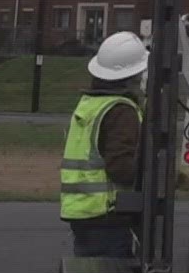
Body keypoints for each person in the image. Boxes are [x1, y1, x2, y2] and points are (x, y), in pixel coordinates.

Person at [59, 31, 146, 259]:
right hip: (108, 216)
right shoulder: (121, 111)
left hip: (84, 212)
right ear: (132, 76)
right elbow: (121, 168)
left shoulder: (90, 104)